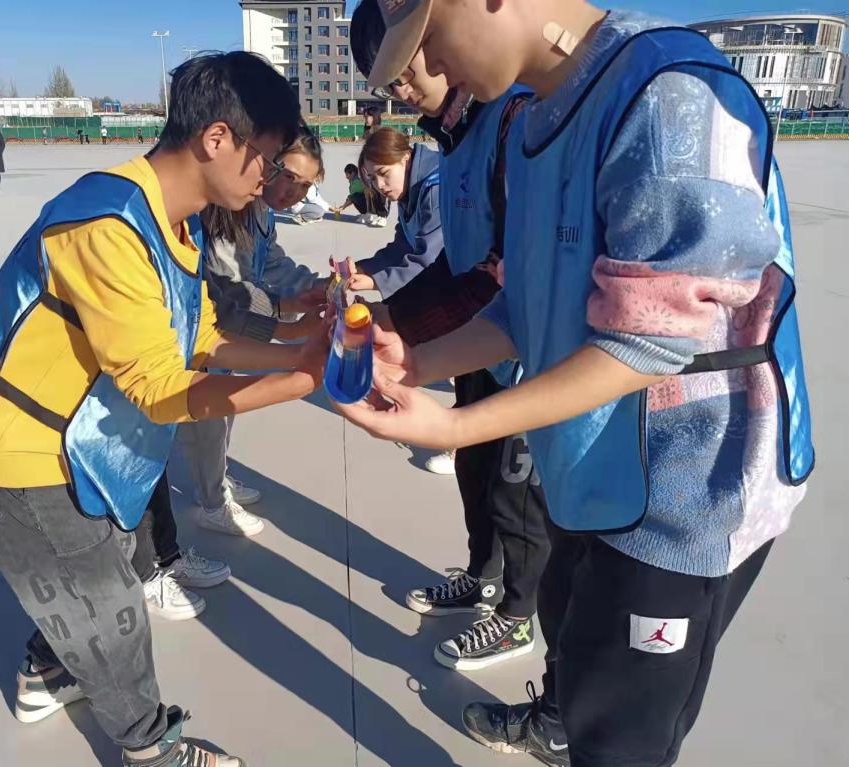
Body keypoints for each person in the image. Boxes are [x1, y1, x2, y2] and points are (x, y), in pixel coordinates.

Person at [344, 2, 815, 765]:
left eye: (425, 40)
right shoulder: (532, 122)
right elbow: (522, 303)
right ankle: (562, 722)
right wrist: (418, 363)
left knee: (623, 733)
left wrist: (457, 425)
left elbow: (652, 339)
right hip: (589, 475)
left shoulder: (667, 91)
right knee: (571, 640)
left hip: (682, 502)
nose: (424, 72)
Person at [0, 52, 322, 767]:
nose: (269, 180)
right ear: (218, 139)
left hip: (83, 442)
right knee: (112, 611)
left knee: (92, 584)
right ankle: (149, 747)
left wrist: (300, 351)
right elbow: (160, 387)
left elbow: (201, 335)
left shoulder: (179, 221)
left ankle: (48, 669)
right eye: (266, 160)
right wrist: (302, 379)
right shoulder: (106, 223)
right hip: (19, 453)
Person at [349, 0, 548, 672]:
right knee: (475, 470)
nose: (406, 88)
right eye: (392, 82)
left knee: (516, 490)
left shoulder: (515, 118)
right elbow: (458, 267)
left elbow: (500, 275)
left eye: (409, 67)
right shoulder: (458, 135)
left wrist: (400, 329)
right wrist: (396, 330)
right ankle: (482, 576)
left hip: (522, 353)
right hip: (475, 342)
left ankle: (517, 614)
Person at [172, 126, 328, 540]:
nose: (294, 191)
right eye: (289, 176)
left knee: (224, 413)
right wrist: (285, 318)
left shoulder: (260, 211)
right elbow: (228, 294)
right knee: (208, 416)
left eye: (306, 185)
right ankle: (211, 501)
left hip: (233, 329)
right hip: (209, 333)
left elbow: (272, 263)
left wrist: (313, 286)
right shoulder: (226, 211)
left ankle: (216, 477)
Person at [347, 126, 443, 302]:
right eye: (372, 178)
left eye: (384, 173)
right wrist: (362, 269)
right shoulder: (408, 188)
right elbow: (403, 246)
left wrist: (375, 281)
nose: (379, 185)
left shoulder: (436, 189)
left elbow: (429, 259)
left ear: (405, 157)